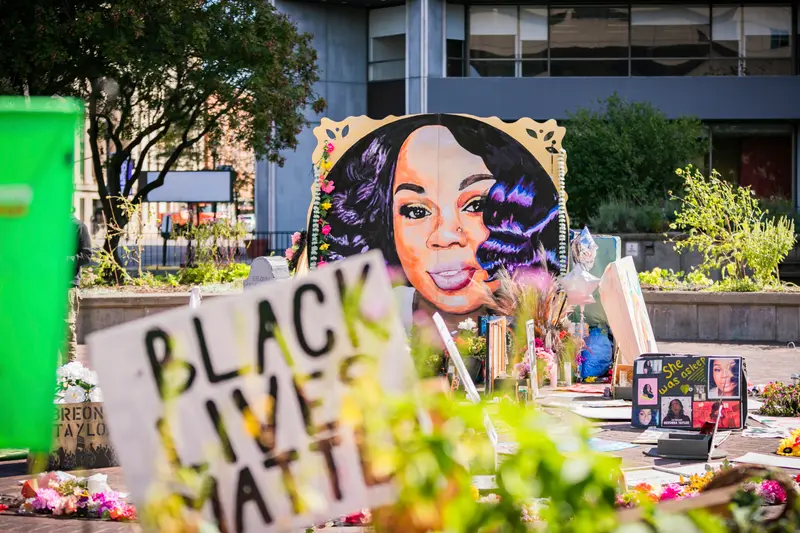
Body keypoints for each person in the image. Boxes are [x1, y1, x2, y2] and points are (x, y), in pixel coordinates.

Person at [319, 115, 561, 329]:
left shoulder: (534, 323)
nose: (444, 236)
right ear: (387, 224)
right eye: (415, 211)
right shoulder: (370, 323)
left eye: (477, 205)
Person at [64, 208, 92, 363]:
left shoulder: (78, 227)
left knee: (67, 329)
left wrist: (65, 260)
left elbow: (87, 255)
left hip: (68, 286)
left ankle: (70, 372)